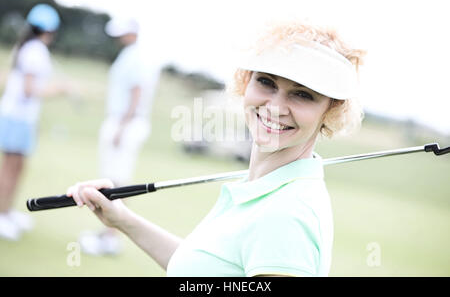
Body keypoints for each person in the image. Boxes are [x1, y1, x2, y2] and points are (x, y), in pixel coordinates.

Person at [66, 20, 365, 276]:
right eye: (266, 82)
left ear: (331, 110)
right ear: (245, 82)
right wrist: (122, 220)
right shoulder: (265, 188)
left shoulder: (286, 215)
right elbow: (203, 271)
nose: (275, 107)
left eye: (302, 94)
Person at [77, 18, 161, 256]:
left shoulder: (135, 57)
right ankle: (109, 235)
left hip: (126, 123)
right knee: (111, 180)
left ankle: (112, 238)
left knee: (116, 183)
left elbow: (136, 93)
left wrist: (122, 126)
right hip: (122, 121)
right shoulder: (130, 55)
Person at [0, 4, 73, 241]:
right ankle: (2, 215)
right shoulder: (35, 50)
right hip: (16, 118)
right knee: (11, 169)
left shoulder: (30, 47)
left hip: (20, 118)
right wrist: (59, 89)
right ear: (51, 29)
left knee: (16, 168)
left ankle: (7, 212)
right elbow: (30, 90)